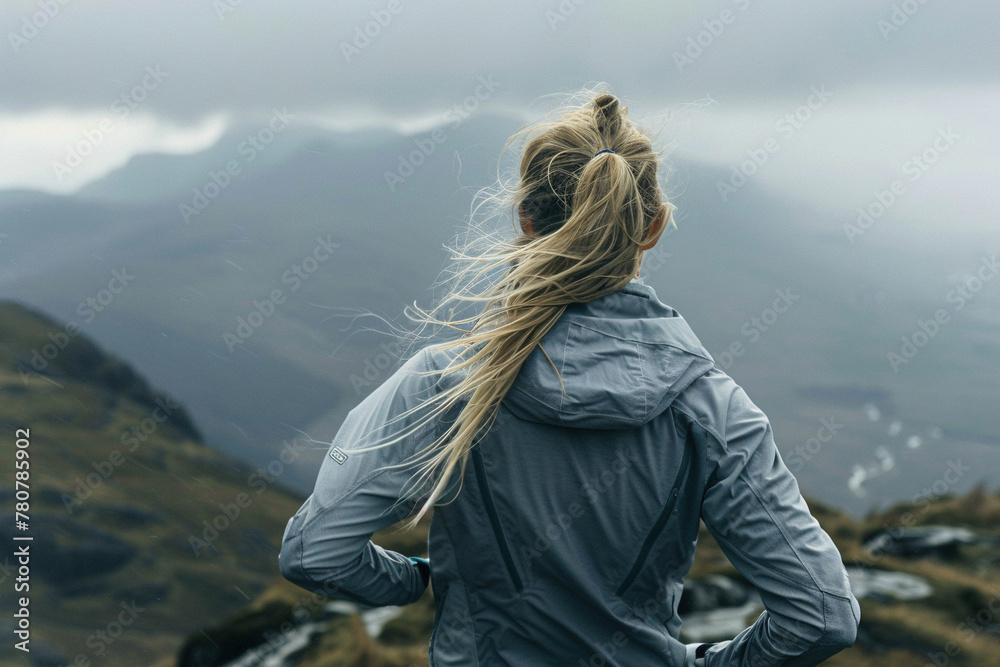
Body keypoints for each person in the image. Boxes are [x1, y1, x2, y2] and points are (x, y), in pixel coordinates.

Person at [279, 90, 860, 666]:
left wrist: (412, 584)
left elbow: (316, 553)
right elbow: (822, 616)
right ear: (653, 226)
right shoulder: (712, 408)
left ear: (526, 222)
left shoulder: (445, 382)